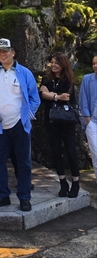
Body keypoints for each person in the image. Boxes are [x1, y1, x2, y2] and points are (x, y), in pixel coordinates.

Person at [0, 38, 40, 212]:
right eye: (0, 51)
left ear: (13, 52)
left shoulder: (24, 72)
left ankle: (24, 198)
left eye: (6, 51)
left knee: (23, 163)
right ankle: (2, 195)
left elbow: (34, 98)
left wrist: (26, 117)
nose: (3, 54)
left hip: (20, 125)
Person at [39, 52, 80, 197]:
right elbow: (42, 95)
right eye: (52, 62)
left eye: (57, 62)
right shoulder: (47, 78)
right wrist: (56, 96)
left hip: (66, 120)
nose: (53, 65)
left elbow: (65, 97)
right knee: (55, 151)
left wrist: (51, 95)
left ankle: (76, 182)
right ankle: (62, 182)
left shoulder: (68, 80)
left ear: (63, 64)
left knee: (70, 151)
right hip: (51, 120)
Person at [79, 53, 97, 181]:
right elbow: (83, 99)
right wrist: (87, 119)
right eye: (94, 63)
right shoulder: (87, 79)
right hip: (92, 122)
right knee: (95, 152)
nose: (95, 66)